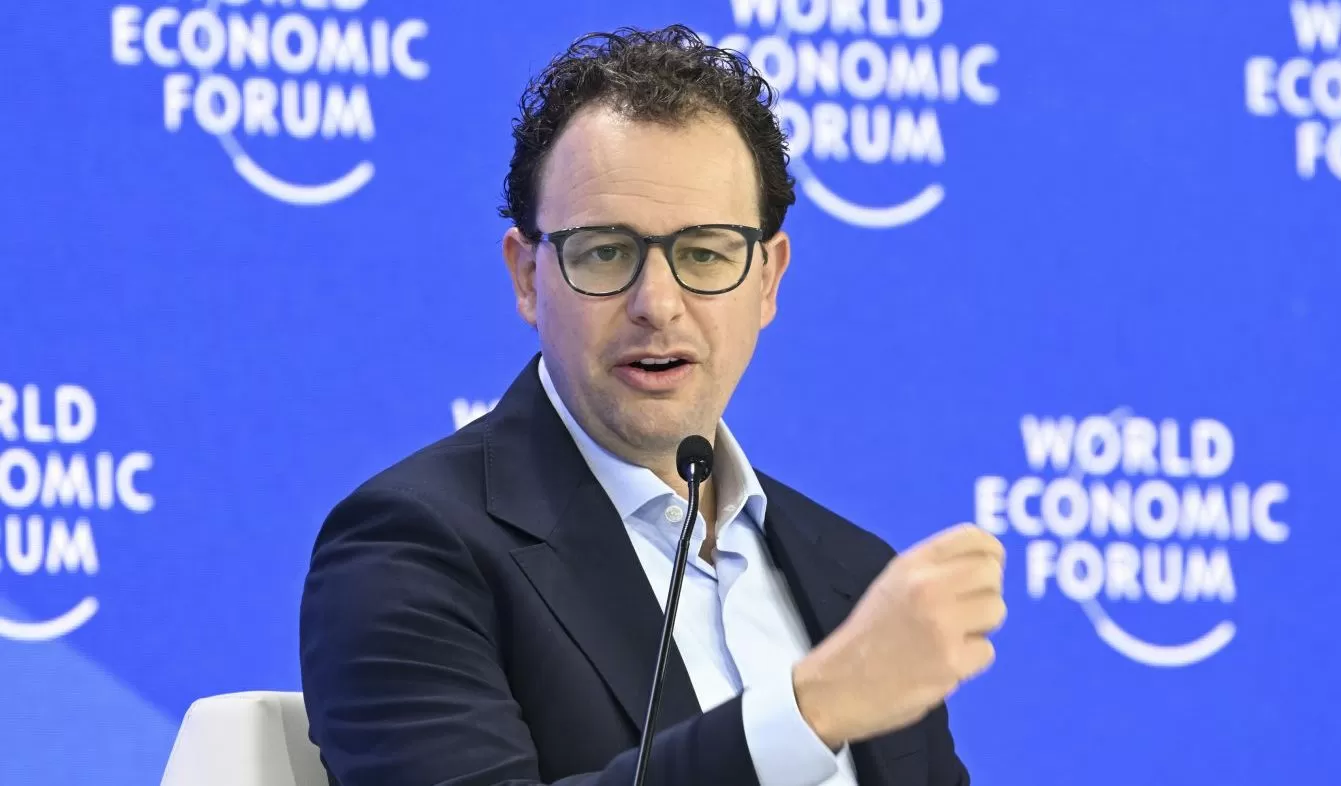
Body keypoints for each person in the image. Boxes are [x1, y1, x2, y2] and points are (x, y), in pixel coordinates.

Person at [299, 24, 1007, 786]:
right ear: (528, 278)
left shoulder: (855, 576)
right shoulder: (410, 549)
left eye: (704, 252)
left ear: (767, 279)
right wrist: (811, 709)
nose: (658, 304)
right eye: (606, 251)